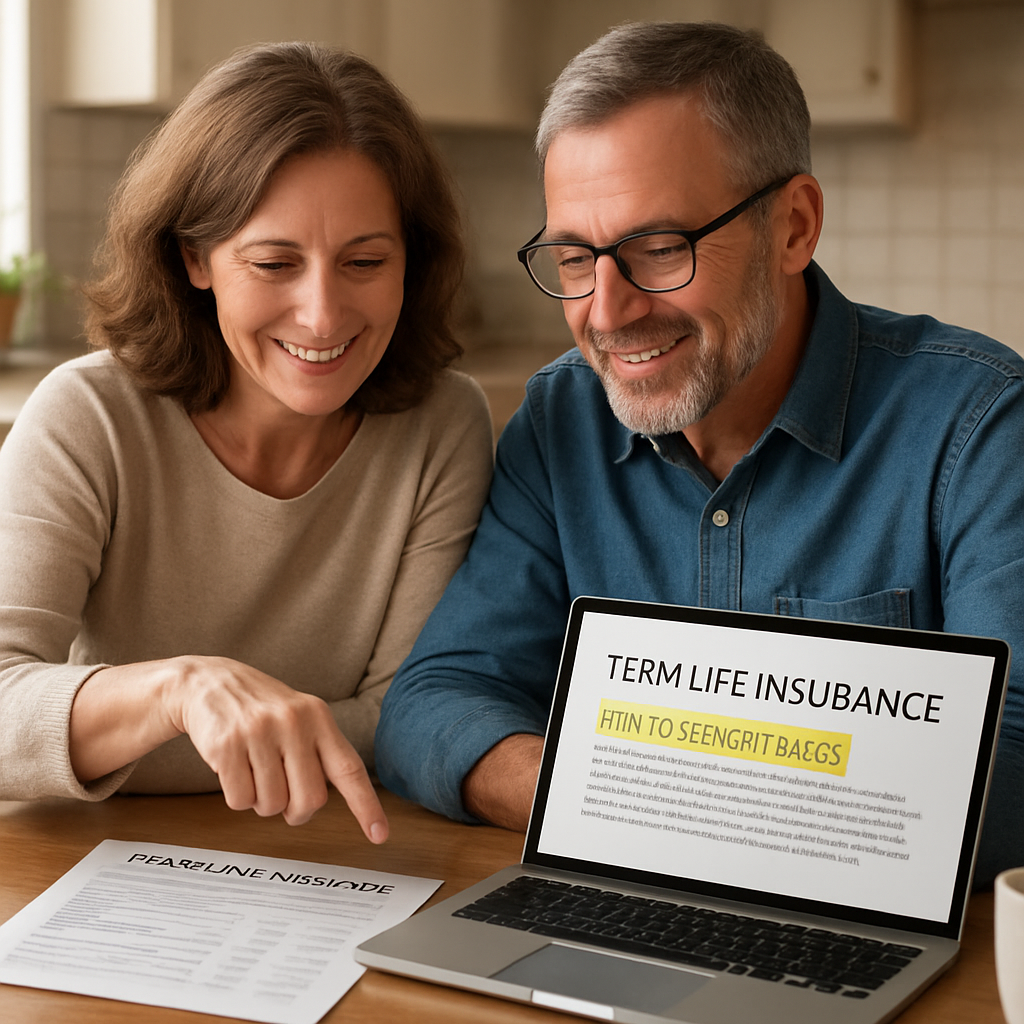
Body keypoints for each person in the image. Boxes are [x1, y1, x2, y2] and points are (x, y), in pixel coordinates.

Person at [376, 21, 1024, 885]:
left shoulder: (978, 425)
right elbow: (435, 703)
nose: (606, 313)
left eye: (657, 249)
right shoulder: (560, 419)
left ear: (793, 227)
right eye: (575, 256)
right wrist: (612, 805)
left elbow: (1012, 765)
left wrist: (672, 808)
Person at [0, 43, 493, 842]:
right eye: (274, 262)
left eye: (365, 260)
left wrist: (96, 730)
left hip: (328, 858)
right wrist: (176, 693)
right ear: (195, 257)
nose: (323, 314)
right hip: (85, 865)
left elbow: (405, 717)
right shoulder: (87, 419)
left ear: (413, 261)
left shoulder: (442, 425)